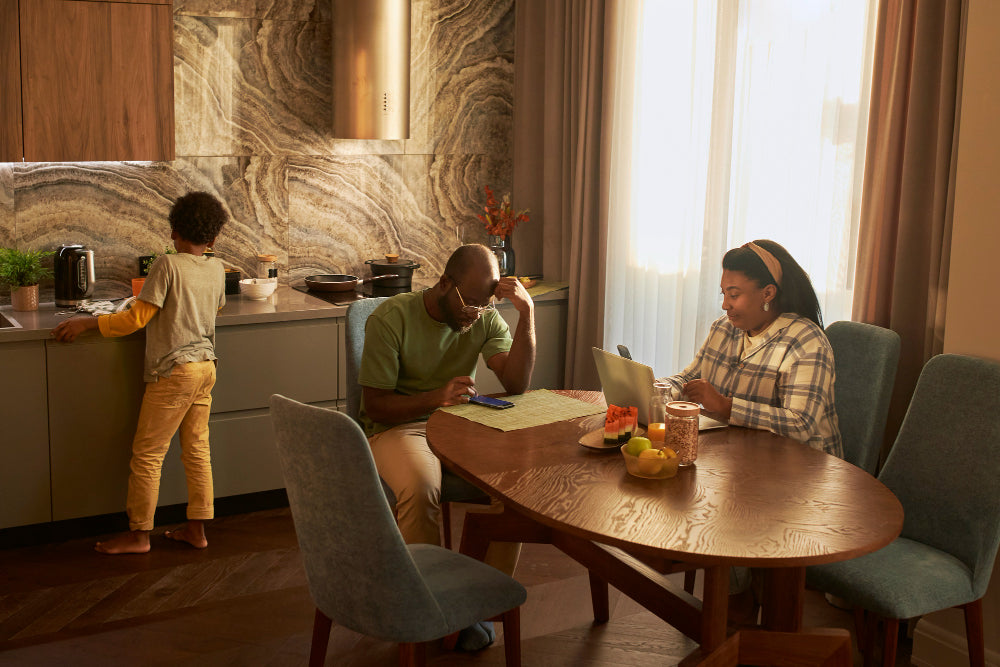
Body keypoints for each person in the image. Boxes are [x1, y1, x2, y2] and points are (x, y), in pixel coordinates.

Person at [359, 243, 535, 649]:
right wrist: (435, 397)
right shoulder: (392, 317)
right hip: (396, 427)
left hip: (458, 426)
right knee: (422, 489)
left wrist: (527, 315)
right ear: (445, 284)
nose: (475, 312)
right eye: (470, 302)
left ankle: (478, 606)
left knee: (515, 490)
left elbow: (516, 383)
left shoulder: (484, 318)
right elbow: (375, 405)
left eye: (483, 304)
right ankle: (425, 608)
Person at [51, 191, 229, 554]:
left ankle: (138, 536)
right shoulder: (216, 266)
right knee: (197, 450)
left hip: (175, 371)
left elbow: (135, 320)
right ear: (212, 239)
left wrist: (86, 325)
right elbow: (213, 310)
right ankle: (197, 531)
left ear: (173, 232)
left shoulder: (166, 264)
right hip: (206, 367)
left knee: (149, 453)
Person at [664, 239, 842, 457]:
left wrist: (726, 406)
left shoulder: (806, 342)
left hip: (804, 472)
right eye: (724, 294)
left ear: (767, 294)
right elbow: (688, 380)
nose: (725, 305)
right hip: (742, 459)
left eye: (734, 295)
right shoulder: (723, 329)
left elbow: (800, 425)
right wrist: (655, 390)